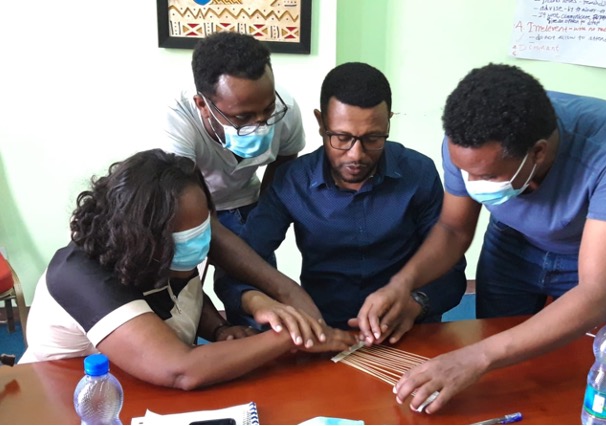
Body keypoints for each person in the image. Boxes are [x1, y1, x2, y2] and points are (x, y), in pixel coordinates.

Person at [356, 64, 606, 413]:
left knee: (583, 368)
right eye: (463, 170)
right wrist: (401, 284)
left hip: (588, 255)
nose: (470, 181)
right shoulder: (465, 140)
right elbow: (453, 229)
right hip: (512, 247)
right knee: (501, 364)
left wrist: (475, 357)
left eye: (486, 175)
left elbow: (596, 293)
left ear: (538, 153)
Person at [20, 149, 355, 390]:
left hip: (138, 387)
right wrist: (292, 335)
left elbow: (181, 296)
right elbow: (179, 370)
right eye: (188, 236)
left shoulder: (165, 252)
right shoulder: (82, 276)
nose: (202, 243)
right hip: (67, 396)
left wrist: (220, 330)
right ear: (145, 235)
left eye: (205, 227)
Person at [218, 62, 467, 343]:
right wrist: (260, 303)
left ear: (388, 123)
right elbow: (240, 265)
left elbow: (452, 270)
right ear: (321, 123)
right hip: (322, 331)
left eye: (373, 138)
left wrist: (416, 304)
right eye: (342, 137)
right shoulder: (292, 182)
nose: (355, 155)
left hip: (407, 329)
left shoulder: (418, 173)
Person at [162, 30, 325, 345]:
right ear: (202, 105)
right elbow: (194, 211)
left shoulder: (285, 109)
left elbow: (283, 167)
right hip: (190, 209)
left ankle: (251, 344)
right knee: (180, 299)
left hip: (247, 200)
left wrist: (262, 222)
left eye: (266, 110)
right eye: (243, 117)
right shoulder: (177, 122)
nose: (262, 122)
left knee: (257, 300)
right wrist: (287, 289)